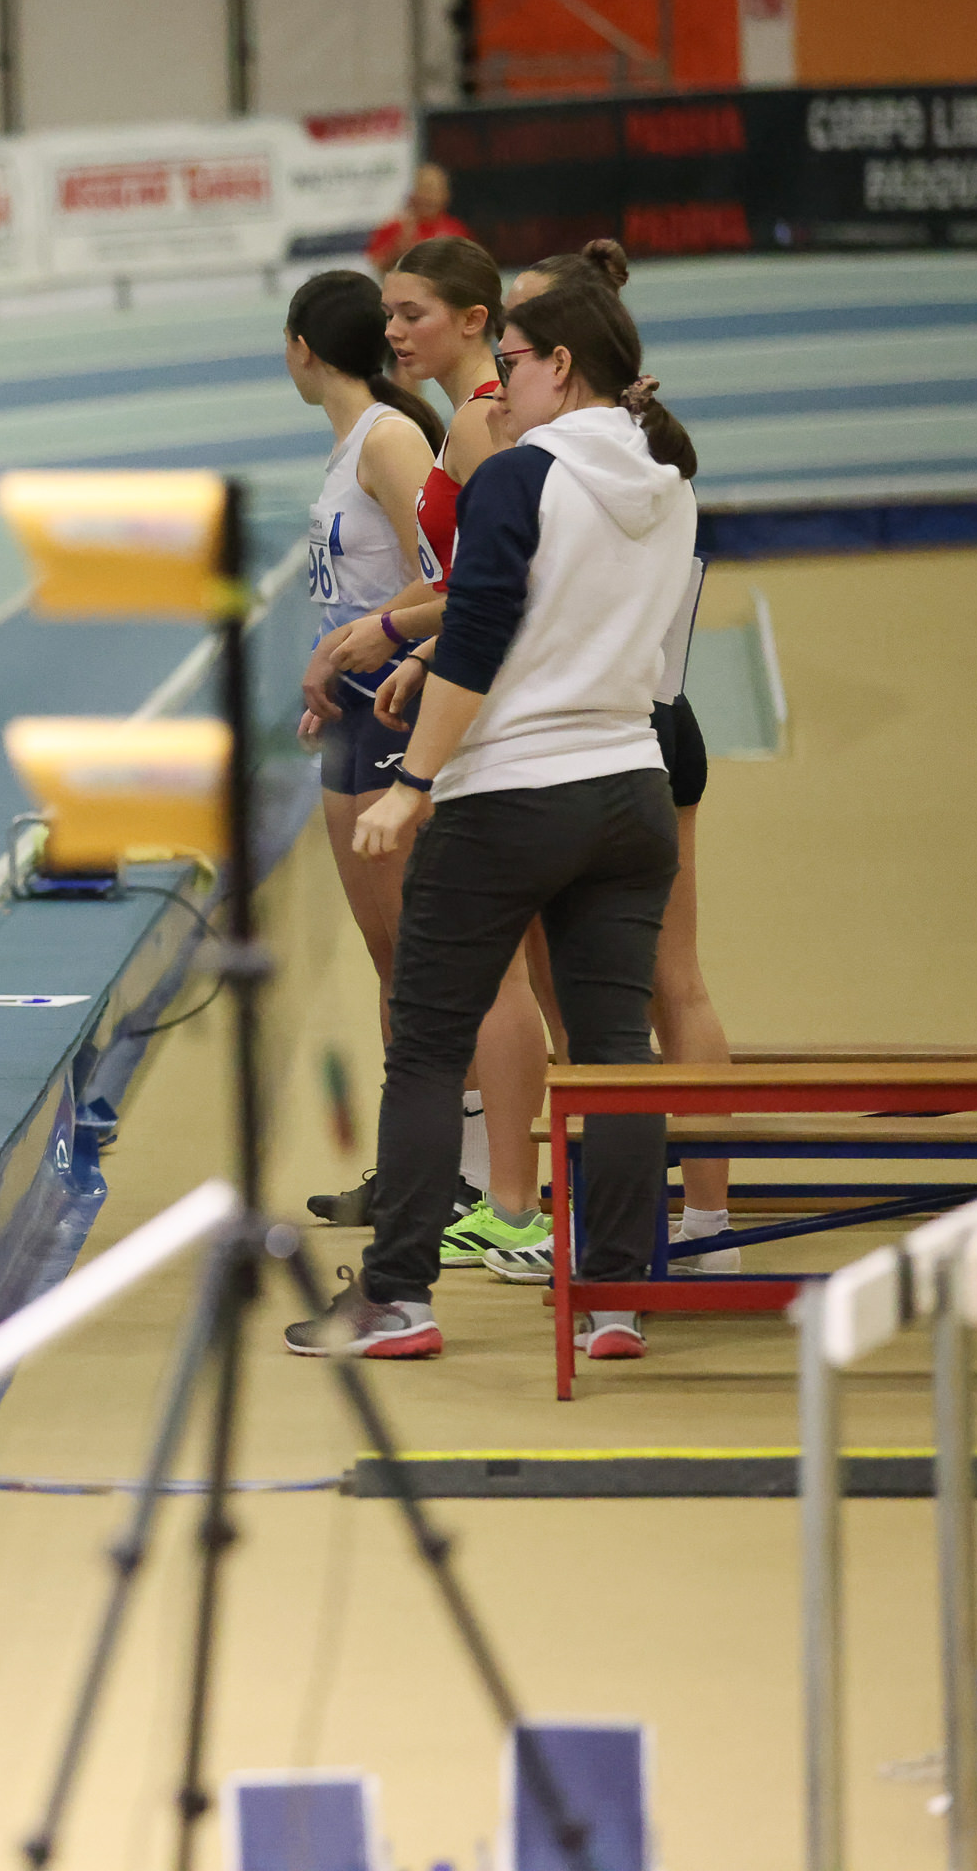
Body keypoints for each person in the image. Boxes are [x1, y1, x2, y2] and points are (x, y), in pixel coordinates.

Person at [288, 278, 701, 1362]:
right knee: (612, 1048)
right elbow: (644, 652)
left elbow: (482, 630)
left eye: (511, 363)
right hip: (631, 787)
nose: (497, 387)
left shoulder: (520, 474)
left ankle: (397, 1297)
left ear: (562, 365)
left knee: (428, 1043)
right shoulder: (668, 483)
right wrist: (432, 649)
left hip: (512, 792)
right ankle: (616, 1296)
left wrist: (412, 782)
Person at [302, 236, 554, 1261]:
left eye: (413, 314)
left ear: (478, 320)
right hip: (409, 697)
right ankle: (453, 1176)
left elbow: (492, 583)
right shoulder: (458, 422)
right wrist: (374, 642)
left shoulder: (469, 427)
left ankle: (502, 1192)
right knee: (424, 962)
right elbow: (461, 577)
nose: (395, 332)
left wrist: (395, 635)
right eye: (389, 315)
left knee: (480, 970)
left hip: (471, 716)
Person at [488, 239, 733, 1274]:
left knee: (593, 1006)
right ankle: (702, 1224)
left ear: (564, 356)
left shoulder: (550, 467)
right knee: (671, 986)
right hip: (663, 722)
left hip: (590, 732)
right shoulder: (656, 455)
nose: (503, 367)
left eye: (513, 350)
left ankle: (610, 1225)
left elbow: (507, 604)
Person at [280, 267, 444, 1070]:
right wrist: (332, 658)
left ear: (300, 350)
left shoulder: (389, 439)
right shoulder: (349, 449)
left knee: (421, 964)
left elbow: (447, 577)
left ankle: (467, 1138)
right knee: (389, 962)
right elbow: (353, 590)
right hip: (350, 708)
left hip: (400, 700)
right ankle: (410, 1137)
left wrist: (360, 637)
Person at [366, 162, 469, 273]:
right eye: (424, 189)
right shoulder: (395, 226)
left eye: (434, 190)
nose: (429, 197)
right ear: (413, 193)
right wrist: (396, 253)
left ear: (446, 195)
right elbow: (373, 267)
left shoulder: (456, 231)